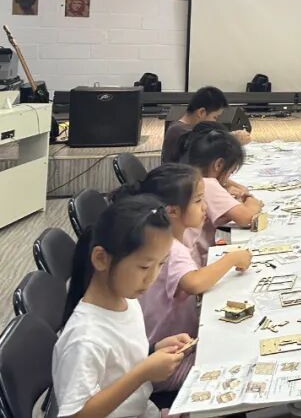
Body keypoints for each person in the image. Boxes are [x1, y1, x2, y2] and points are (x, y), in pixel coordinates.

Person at [114, 164, 253, 391]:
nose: (205, 206)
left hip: (169, 346)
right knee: (240, 361)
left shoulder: (173, 237)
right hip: (166, 362)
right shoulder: (169, 245)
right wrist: (231, 259)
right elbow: (194, 283)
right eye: (198, 201)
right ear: (173, 212)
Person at [53, 196, 191, 418]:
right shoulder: (84, 339)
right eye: (144, 266)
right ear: (101, 259)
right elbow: (76, 414)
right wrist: (142, 373)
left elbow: (119, 363)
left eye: (161, 264)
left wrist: (154, 350)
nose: (152, 277)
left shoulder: (128, 301)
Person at [179, 124, 263, 264]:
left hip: (201, 251)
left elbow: (235, 187)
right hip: (202, 260)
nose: (229, 177)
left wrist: (227, 184)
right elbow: (248, 219)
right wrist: (249, 199)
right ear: (218, 165)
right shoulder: (207, 184)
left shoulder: (187, 177)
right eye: (230, 172)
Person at [161, 85, 251, 164]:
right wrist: (232, 140)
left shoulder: (183, 129)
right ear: (201, 112)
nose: (215, 122)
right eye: (215, 117)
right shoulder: (179, 132)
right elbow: (203, 147)